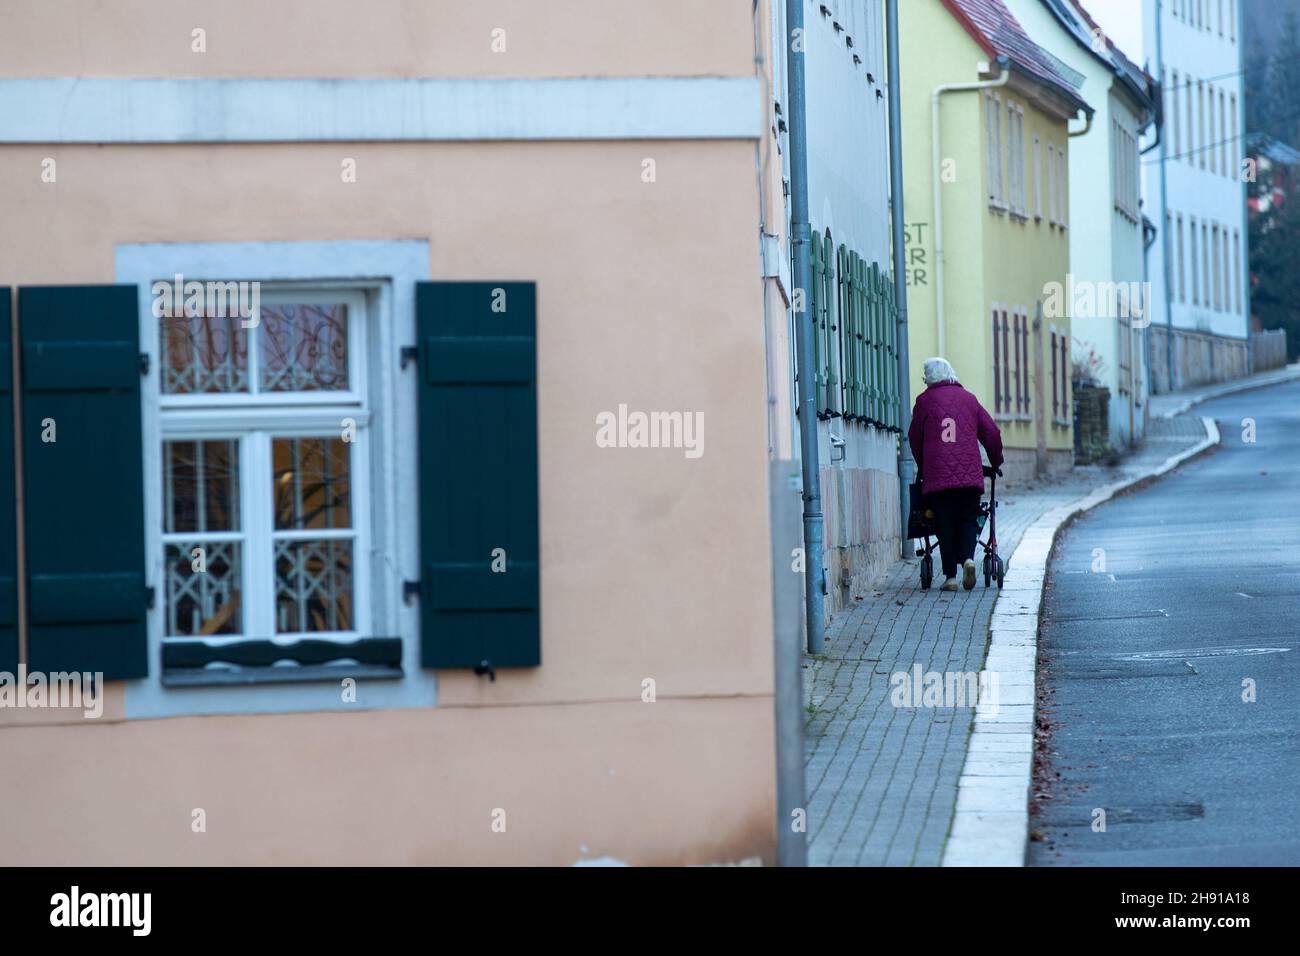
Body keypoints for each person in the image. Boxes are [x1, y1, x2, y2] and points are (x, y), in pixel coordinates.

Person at [907, 357, 1004, 592]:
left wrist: (924, 465)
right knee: (969, 518)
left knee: (944, 523)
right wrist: (996, 461)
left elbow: (914, 438)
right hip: (970, 478)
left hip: (938, 479)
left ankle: (951, 577)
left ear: (929, 379)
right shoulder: (969, 399)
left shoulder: (924, 402)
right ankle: (969, 559)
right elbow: (991, 433)